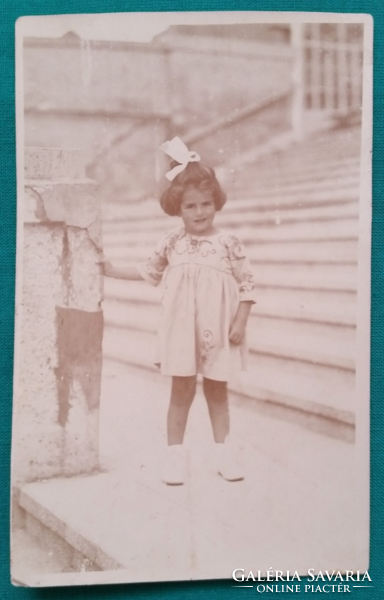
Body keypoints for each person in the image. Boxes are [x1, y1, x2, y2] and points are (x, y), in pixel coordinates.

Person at [102, 137, 256, 485]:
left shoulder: (228, 242)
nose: (200, 212)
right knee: (181, 391)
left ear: (216, 202)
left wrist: (240, 321)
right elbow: (149, 271)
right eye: (191, 206)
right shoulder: (171, 242)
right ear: (177, 207)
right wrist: (110, 269)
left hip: (219, 330)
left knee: (217, 391)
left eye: (206, 204)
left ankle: (224, 455)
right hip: (181, 329)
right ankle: (174, 457)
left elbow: (248, 284)